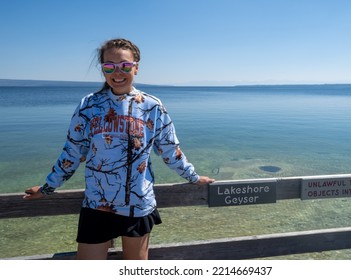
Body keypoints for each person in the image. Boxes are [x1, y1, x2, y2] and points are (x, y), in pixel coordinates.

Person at [23, 38, 215, 260]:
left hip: (138, 204)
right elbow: (73, 152)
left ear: (136, 67)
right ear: (103, 69)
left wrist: (193, 177)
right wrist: (47, 187)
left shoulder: (151, 106)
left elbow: (169, 150)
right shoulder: (88, 105)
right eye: (109, 66)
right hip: (97, 205)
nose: (117, 72)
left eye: (125, 66)